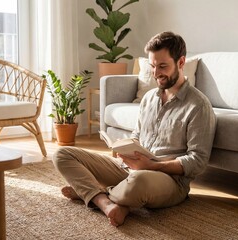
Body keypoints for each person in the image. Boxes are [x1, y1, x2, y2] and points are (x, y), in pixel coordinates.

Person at [53, 31, 216, 227]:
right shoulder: (148, 99)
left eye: (163, 66)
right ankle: (106, 201)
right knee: (62, 154)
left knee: (138, 182)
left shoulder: (199, 105)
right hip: (130, 169)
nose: (156, 74)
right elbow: (137, 136)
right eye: (153, 66)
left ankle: (91, 192)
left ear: (181, 63)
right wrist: (125, 151)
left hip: (168, 180)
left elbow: (198, 161)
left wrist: (152, 166)